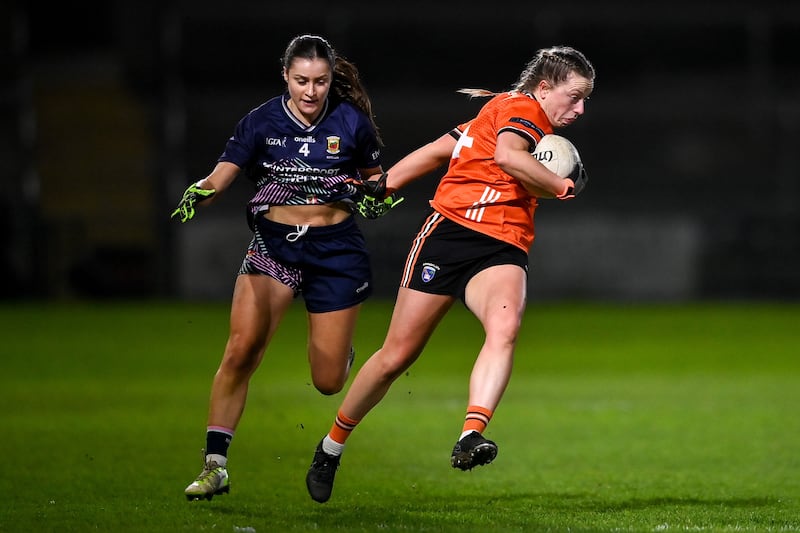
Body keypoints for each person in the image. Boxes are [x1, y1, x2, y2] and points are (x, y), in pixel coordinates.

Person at [304, 45, 596, 503]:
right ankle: (330, 448)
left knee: (505, 328)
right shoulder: (521, 108)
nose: (579, 109)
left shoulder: (499, 109)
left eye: (585, 100)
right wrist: (561, 184)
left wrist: (386, 184)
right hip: (450, 234)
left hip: (503, 244)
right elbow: (507, 157)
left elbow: (443, 149)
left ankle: (471, 434)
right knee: (396, 357)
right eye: (574, 96)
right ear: (544, 88)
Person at [174, 34, 399, 501]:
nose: (311, 92)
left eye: (319, 81)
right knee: (241, 351)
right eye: (301, 81)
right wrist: (202, 191)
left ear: (330, 78)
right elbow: (222, 174)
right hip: (274, 247)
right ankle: (215, 465)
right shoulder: (260, 121)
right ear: (285, 77)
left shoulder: (351, 121)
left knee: (328, 381)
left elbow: (377, 182)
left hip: (336, 252)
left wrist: (377, 198)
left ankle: (339, 353)